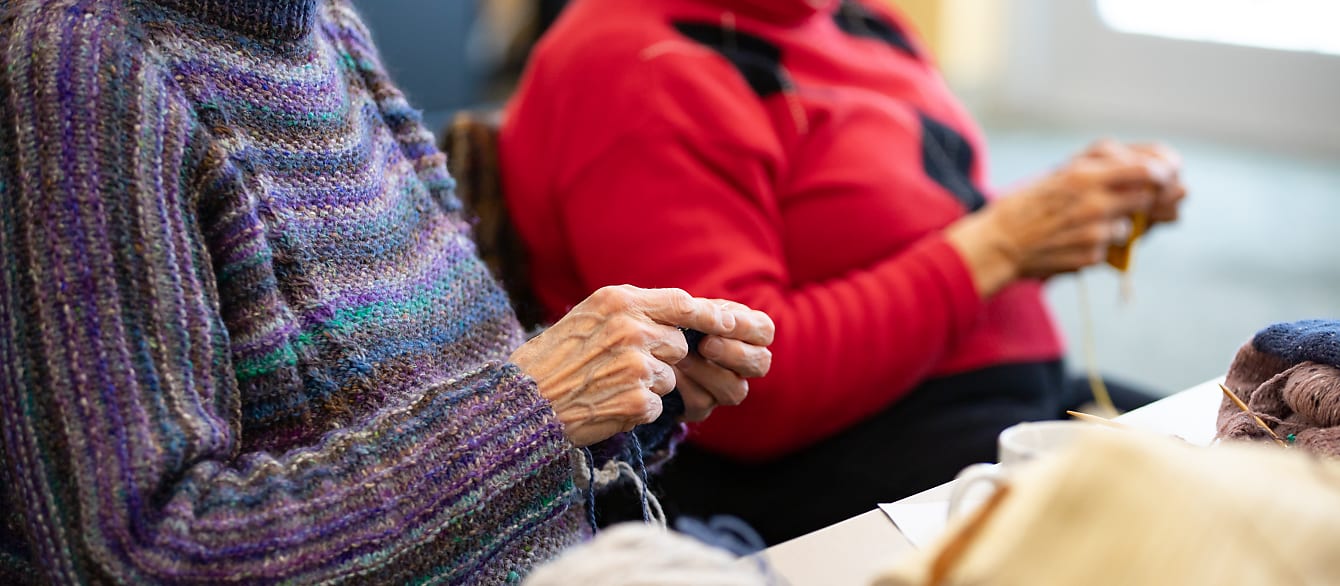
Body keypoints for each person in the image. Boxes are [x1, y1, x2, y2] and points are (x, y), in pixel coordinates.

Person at [0, 0, 774, 583]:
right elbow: (135, 554)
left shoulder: (328, 27)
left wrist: (627, 394)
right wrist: (537, 405)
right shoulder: (79, 70)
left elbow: (455, 420)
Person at [500, 0, 1186, 543]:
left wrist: (1059, 217)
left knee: (1260, 438)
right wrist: (999, 246)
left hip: (983, 396)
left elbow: (906, 231)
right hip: (830, 465)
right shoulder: (631, 65)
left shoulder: (854, 19)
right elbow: (741, 384)